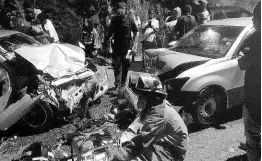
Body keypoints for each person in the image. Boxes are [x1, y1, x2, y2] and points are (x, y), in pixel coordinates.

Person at [107, 73, 189, 161]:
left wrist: (118, 157)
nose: (139, 98)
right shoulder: (157, 104)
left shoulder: (158, 115)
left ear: (150, 96)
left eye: (141, 95)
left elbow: (140, 143)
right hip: (164, 141)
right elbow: (140, 119)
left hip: (172, 152)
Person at [238, 1, 261, 161]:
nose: (253, 21)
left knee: (253, 132)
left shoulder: (256, 38)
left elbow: (243, 63)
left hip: (255, 95)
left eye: (256, 17)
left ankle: (254, 153)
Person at [106, 2, 138, 89]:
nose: (119, 12)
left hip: (127, 48)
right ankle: (117, 85)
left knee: (125, 67)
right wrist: (107, 39)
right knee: (116, 66)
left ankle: (123, 85)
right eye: (118, 11)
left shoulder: (130, 20)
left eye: (121, 10)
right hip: (116, 47)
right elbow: (110, 31)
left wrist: (134, 44)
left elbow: (135, 31)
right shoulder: (114, 19)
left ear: (125, 10)